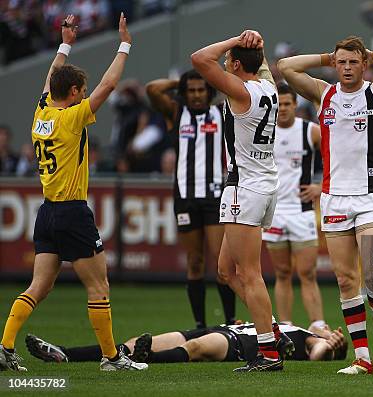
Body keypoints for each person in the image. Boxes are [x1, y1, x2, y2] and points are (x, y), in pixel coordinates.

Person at [0, 14, 146, 372]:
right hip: (71, 212)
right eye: (82, 88)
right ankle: (112, 358)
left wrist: (65, 44)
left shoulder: (41, 114)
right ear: (76, 92)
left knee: (39, 287)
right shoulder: (71, 118)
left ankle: (4, 346)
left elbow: (51, 79)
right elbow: (110, 86)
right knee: (99, 286)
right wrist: (125, 43)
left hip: (47, 212)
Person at [278, 36, 373, 374]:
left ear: (364, 64)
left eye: (353, 62)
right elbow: (285, 66)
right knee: (345, 281)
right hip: (334, 197)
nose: (346, 68)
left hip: (371, 196)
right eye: (341, 62)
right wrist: (327, 57)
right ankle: (362, 358)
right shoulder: (323, 94)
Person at [191, 30, 284, 372]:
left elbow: (200, 59)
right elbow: (259, 65)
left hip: (245, 186)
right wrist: (258, 44)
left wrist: (232, 40)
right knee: (226, 271)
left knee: (248, 273)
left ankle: (269, 354)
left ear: (234, 62)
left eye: (229, 61)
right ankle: (271, 332)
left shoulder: (242, 90)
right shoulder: (268, 88)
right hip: (261, 182)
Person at [146, 70, 236, 328]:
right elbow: (153, 88)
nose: (197, 95)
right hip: (185, 197)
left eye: (201, 89)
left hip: (215, 196)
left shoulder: (221, 112)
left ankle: (230, 321)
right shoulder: (176, 113)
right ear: (185, 93)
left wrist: (211, 77)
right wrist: (180, 81)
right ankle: (200, 325)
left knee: (221, 262)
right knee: (194, 262)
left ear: (209, 91)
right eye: (192, 90)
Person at [261, 82, 325, 328]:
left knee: (308, 273)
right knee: (282, 273)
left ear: (296, 105)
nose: (283, 108)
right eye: (280, 104)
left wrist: (321, 187)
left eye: (288, 103)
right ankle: (285, 326)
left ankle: (317, 324)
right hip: (274, 213)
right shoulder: (264, 132)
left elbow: (334, 158)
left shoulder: (310, 131)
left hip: (302, 212)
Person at [25, 322, 348, 364]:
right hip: (223, 327)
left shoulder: (305, 340)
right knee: (136, 339)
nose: (324, 325)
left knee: (196, 350)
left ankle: (143, 360)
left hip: (235, 343)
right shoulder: (293, 323)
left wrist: (331, 345)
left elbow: (317, 356)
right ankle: (65, 355)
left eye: (327, 330)